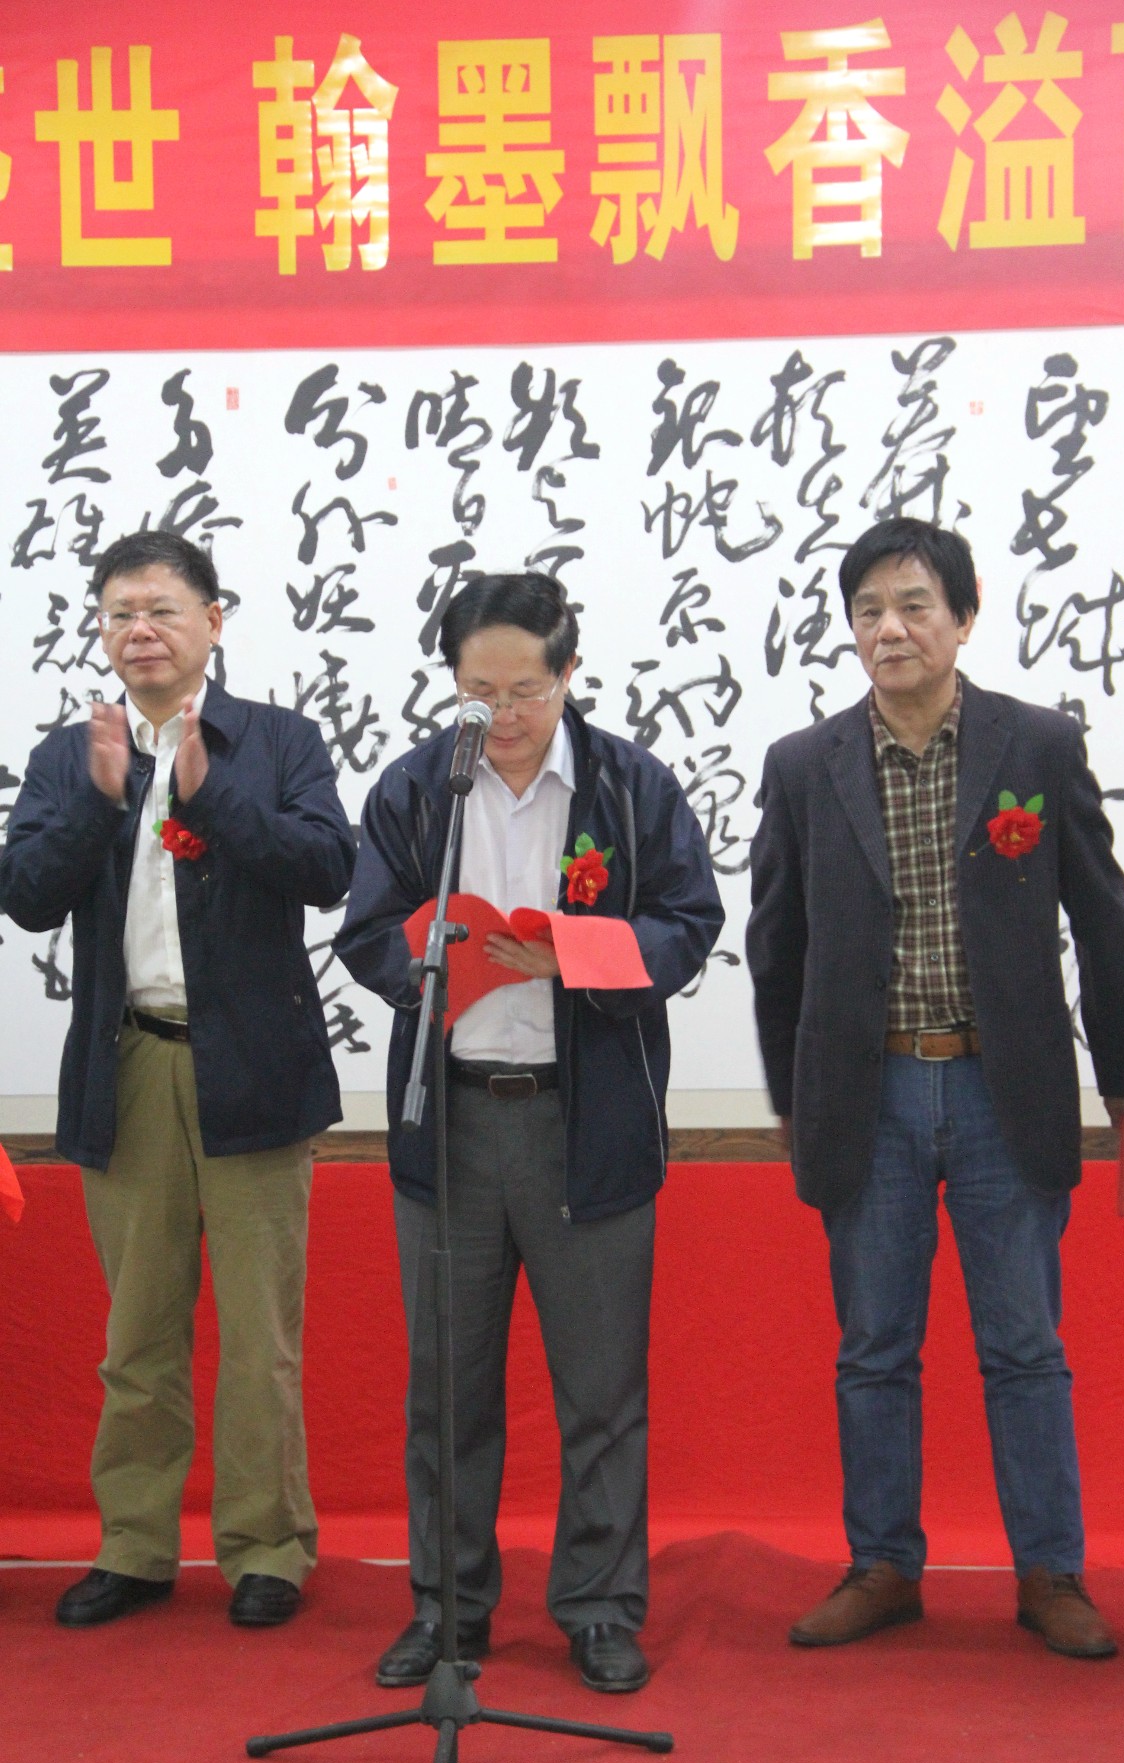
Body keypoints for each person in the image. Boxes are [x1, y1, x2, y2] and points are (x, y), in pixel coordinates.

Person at [746, 517, 1124, 1659]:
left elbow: (1099, 919)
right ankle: (882, 1565)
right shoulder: (804, 765)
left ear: (963, 618)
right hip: (865, 1092)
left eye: (913, 605)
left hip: (1000, 1088)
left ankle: (1049, 1573)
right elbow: (775, 942)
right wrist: (792, 1092)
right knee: (872, 1346)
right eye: (867, 610)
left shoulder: (1035, 746)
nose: (889, 629)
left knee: (1023, 1345)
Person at [335, 571, 723, 1693]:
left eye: (522, 691)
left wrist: (575, 954)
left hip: (582, 1121)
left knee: (599, 1391)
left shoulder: (630, 785)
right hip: (452, 1123)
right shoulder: (420, 787)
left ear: (567, 675)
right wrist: (426, 958)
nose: (499, 715)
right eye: (476, 692)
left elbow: (689, 923)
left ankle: (597, 1608)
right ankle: (446, 1609)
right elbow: (364, 930)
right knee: (446, 1393)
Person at [0, 530, 355, 1629]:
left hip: (254, 1071)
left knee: (259, 1338)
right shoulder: (72, 753)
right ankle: (136, 1544)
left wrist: (210, 796)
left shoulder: (279, 741)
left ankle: (265, 1548)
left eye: (160, 609)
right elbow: (26, 894)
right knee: (138, 1336)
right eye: (119, 613)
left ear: (212, 620)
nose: (139, 630)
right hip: (129, 1065)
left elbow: (327, 870)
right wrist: (100, 800)